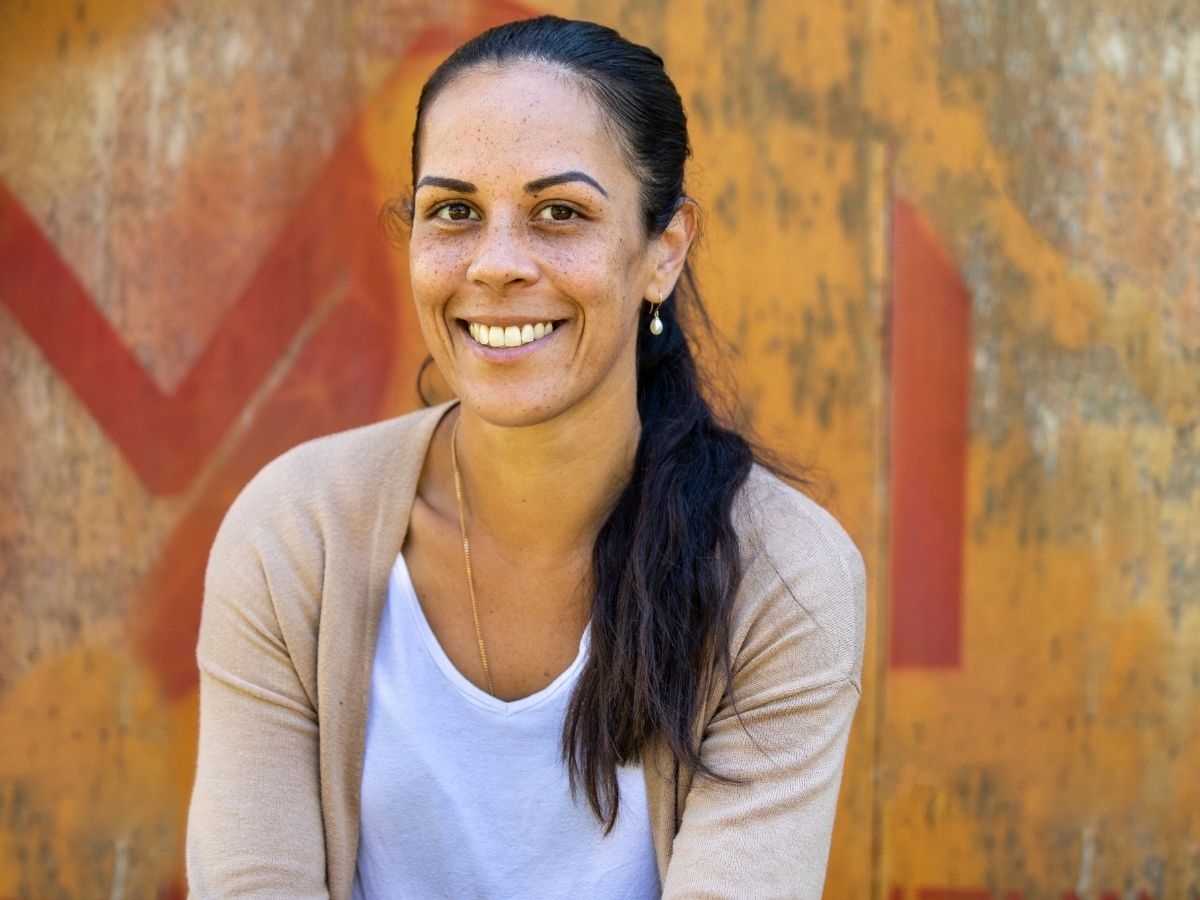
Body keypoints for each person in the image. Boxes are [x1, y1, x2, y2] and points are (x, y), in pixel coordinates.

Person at [187, 15, 865, 900]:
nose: (497, 264)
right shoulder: (297, 534)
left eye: (560, 212)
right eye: (455, 212)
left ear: (664, 250)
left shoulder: (779, 576)